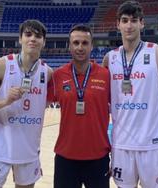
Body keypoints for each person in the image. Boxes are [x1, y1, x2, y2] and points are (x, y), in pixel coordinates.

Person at [102, 1, 158, 188]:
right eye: (125, 21)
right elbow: (101, 101)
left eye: (134, 20)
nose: (129, 25)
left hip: (152, 144)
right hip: (121, 144)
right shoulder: (110, 58)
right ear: (118, 24)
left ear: (142, 23)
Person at [0, 19, 53, 188]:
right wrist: (5, 101)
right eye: (28, 34)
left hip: (28, 152)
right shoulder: (1, 65)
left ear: (44, 42)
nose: (32, 39)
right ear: (20, 39)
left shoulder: (48, 73)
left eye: (38, 36)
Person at [47, 24, 111, 188]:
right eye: (76, 43)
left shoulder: (105, 75)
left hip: (98, 158)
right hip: (65, 157)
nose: (80, 47)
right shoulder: (58, 76)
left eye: (84, 43)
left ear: (92, 46)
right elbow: (37, 104)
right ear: (69, 46)